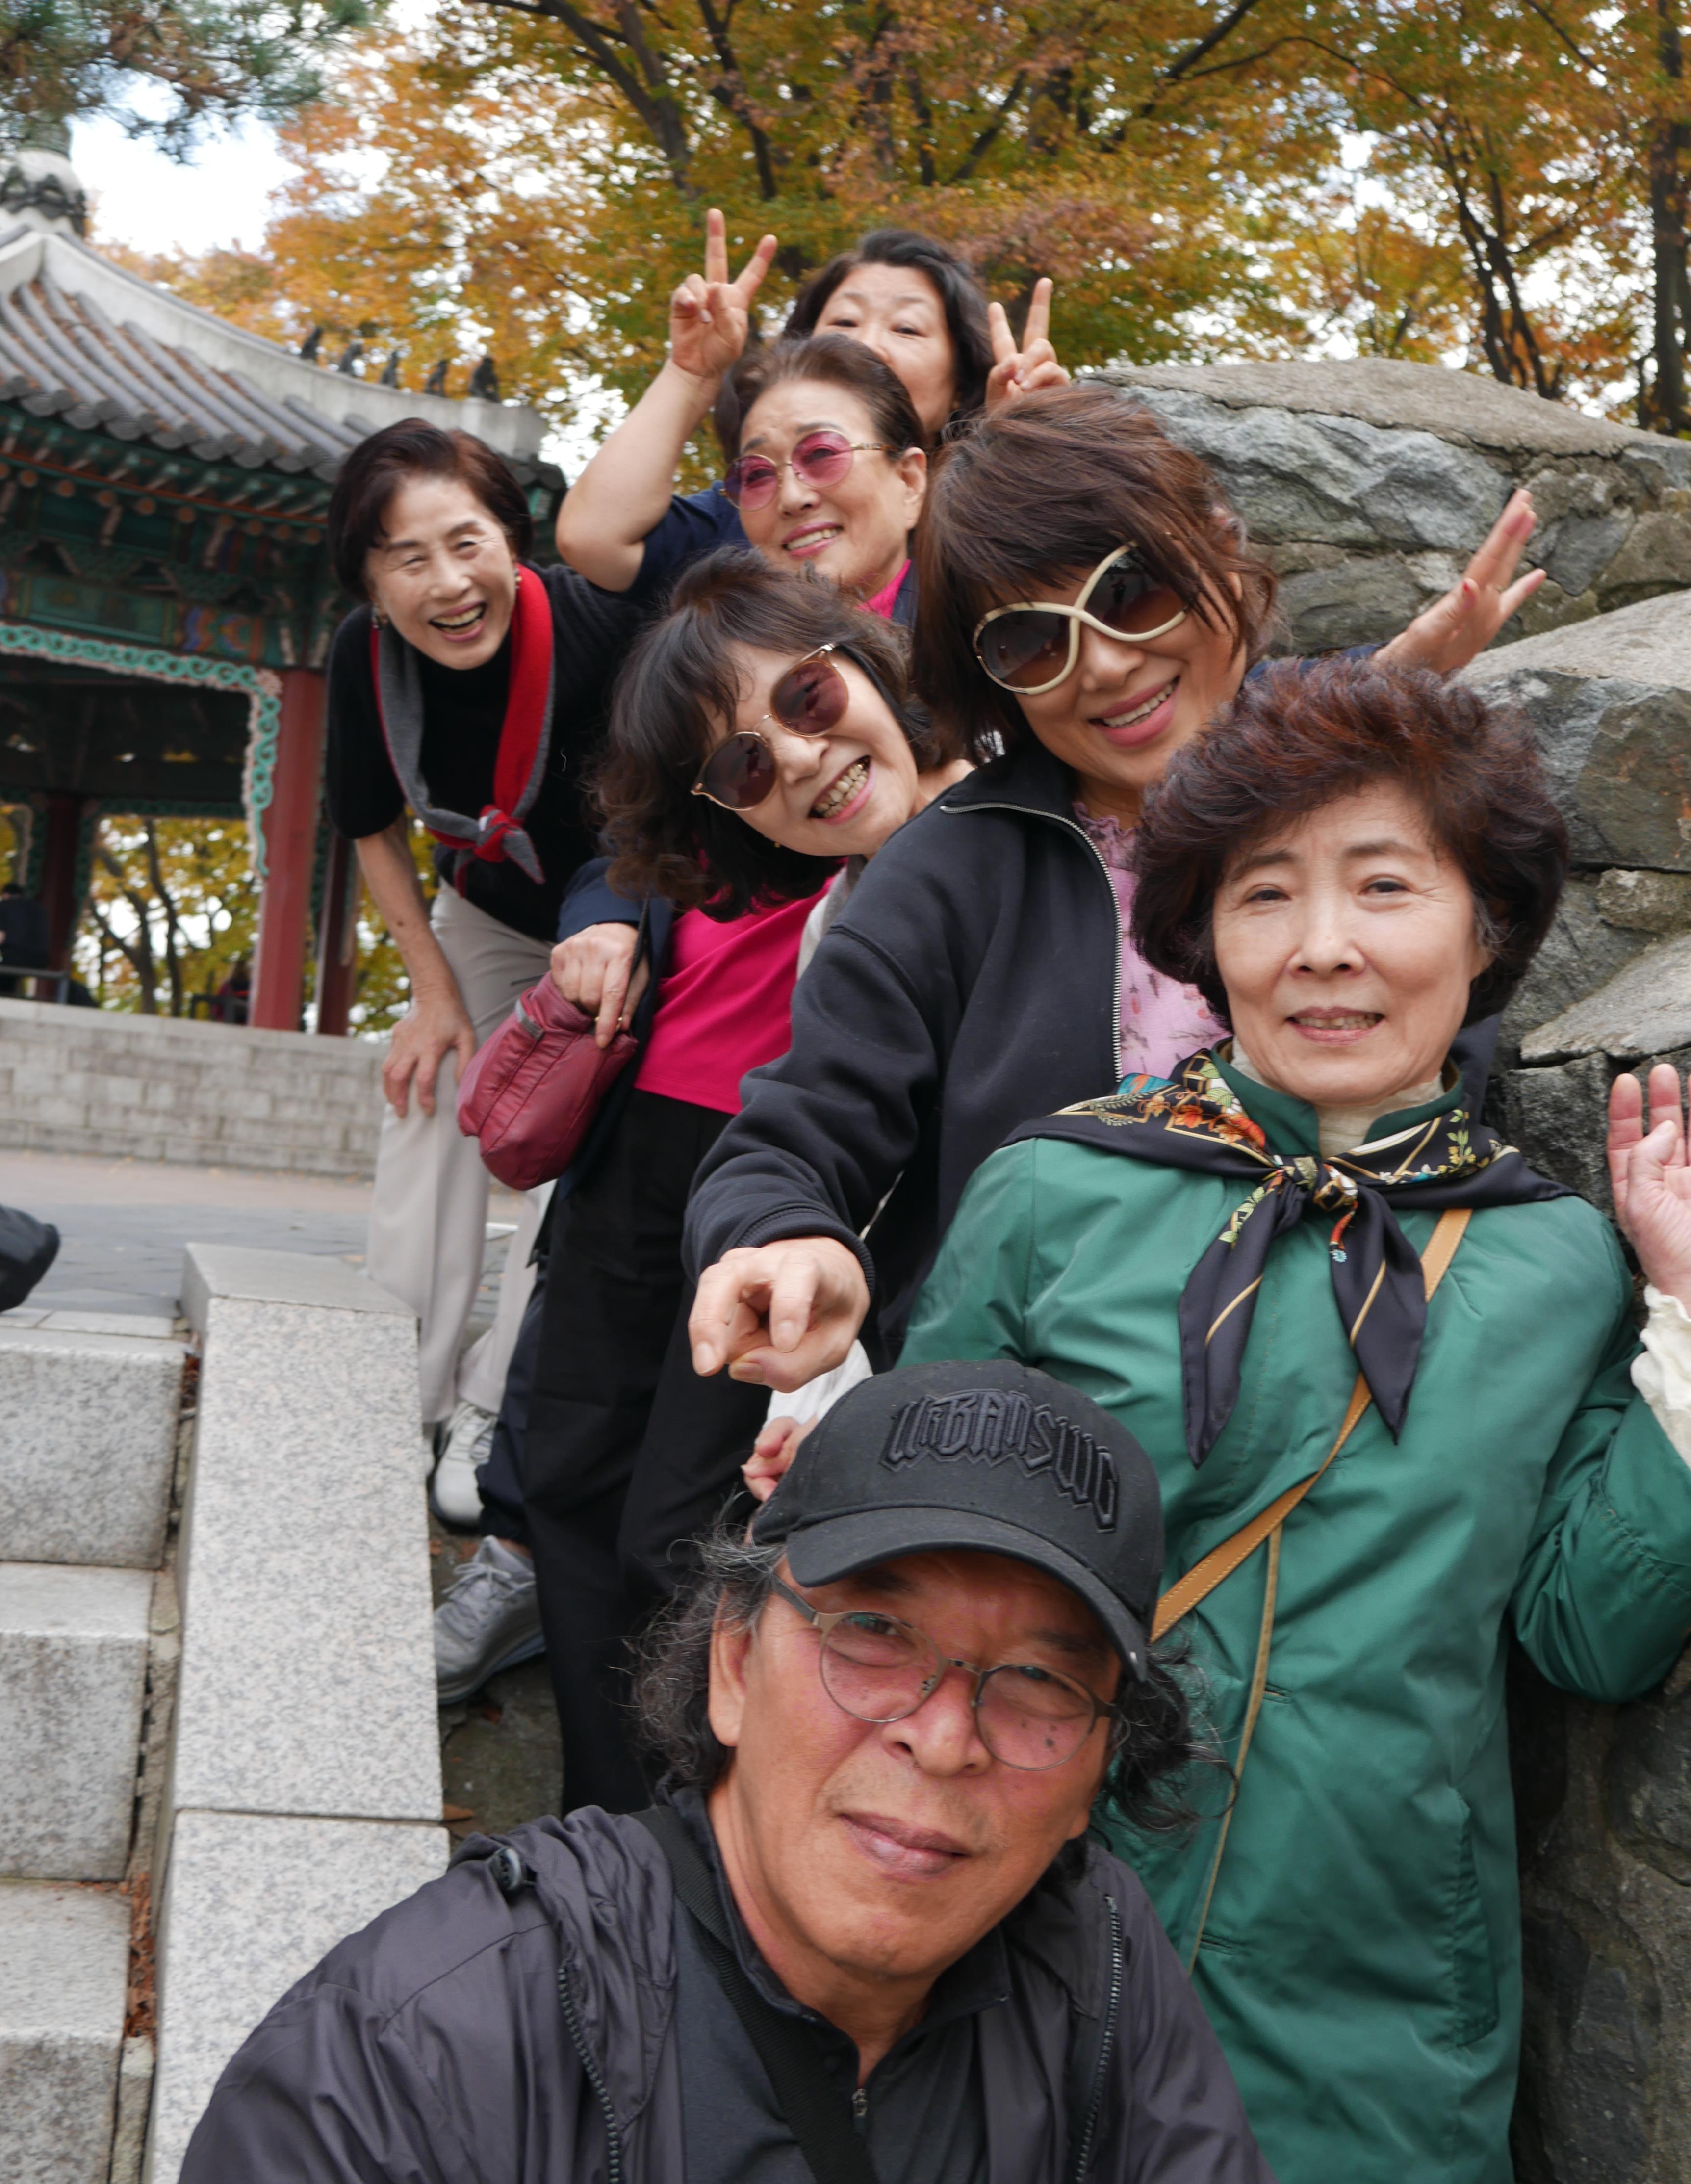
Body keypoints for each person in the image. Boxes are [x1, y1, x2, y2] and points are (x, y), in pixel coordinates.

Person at [897, 659, 1691, 2184]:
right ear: (1204, 941)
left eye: (1384, 886)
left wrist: (1680, 1311)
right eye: (1265, 894)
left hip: (1383, 2024)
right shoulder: (1053, 1196)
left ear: (1486, 929)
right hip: (1024, 1947)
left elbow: (1590, 1637)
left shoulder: (1554, 1263)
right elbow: (907, 1579)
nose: (1322, 945)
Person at [162, 1359, 1312, 2184]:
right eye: (873, 1634)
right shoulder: (419, 2052)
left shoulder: (1093, 1968)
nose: (943, 1737)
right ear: (732, 1663)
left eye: (1041, 1683)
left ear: (1098, 1773)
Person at [682, 383, 1547, 1414]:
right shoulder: (947, 873)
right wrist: (788, 1239)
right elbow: (793, 1134)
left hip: (1355, 1399)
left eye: (1129, 591)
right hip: (1030, 1433)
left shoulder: (1382, 805)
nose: (1100, 662)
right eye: (1031, 640)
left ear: (1217, 552)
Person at [436, 551, 971, 1809]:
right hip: (681, 1152)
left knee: (679, 1535)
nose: (794, 756)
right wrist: (602, 920)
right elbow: (625, 855)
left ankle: (681, 1836)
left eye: (807, 700)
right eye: (741, 767)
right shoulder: (822, 885)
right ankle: (607, 1829)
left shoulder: (1007, 808)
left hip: (819, 1213)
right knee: (577, 1483)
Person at [321, 418, 643, 1512]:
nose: (449, 585)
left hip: (623, 913)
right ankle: (391, 1384)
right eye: (407, 559)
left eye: (466, 543)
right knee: (431, 1087)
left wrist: (619, 938)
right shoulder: (363, 657)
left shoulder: (599, 624)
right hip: (491, 911)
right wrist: (430, 992)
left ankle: (492, 1402)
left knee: (582, 1133)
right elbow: (369, 824)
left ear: (513, 537)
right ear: (371, 582)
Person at [558, 210, 1064, 602]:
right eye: (843, 323)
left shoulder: (985, 526)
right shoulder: (758, 508)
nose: (867, 344)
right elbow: (592, 537)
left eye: (906, 328)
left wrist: (1020, 449)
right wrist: (692, 375)